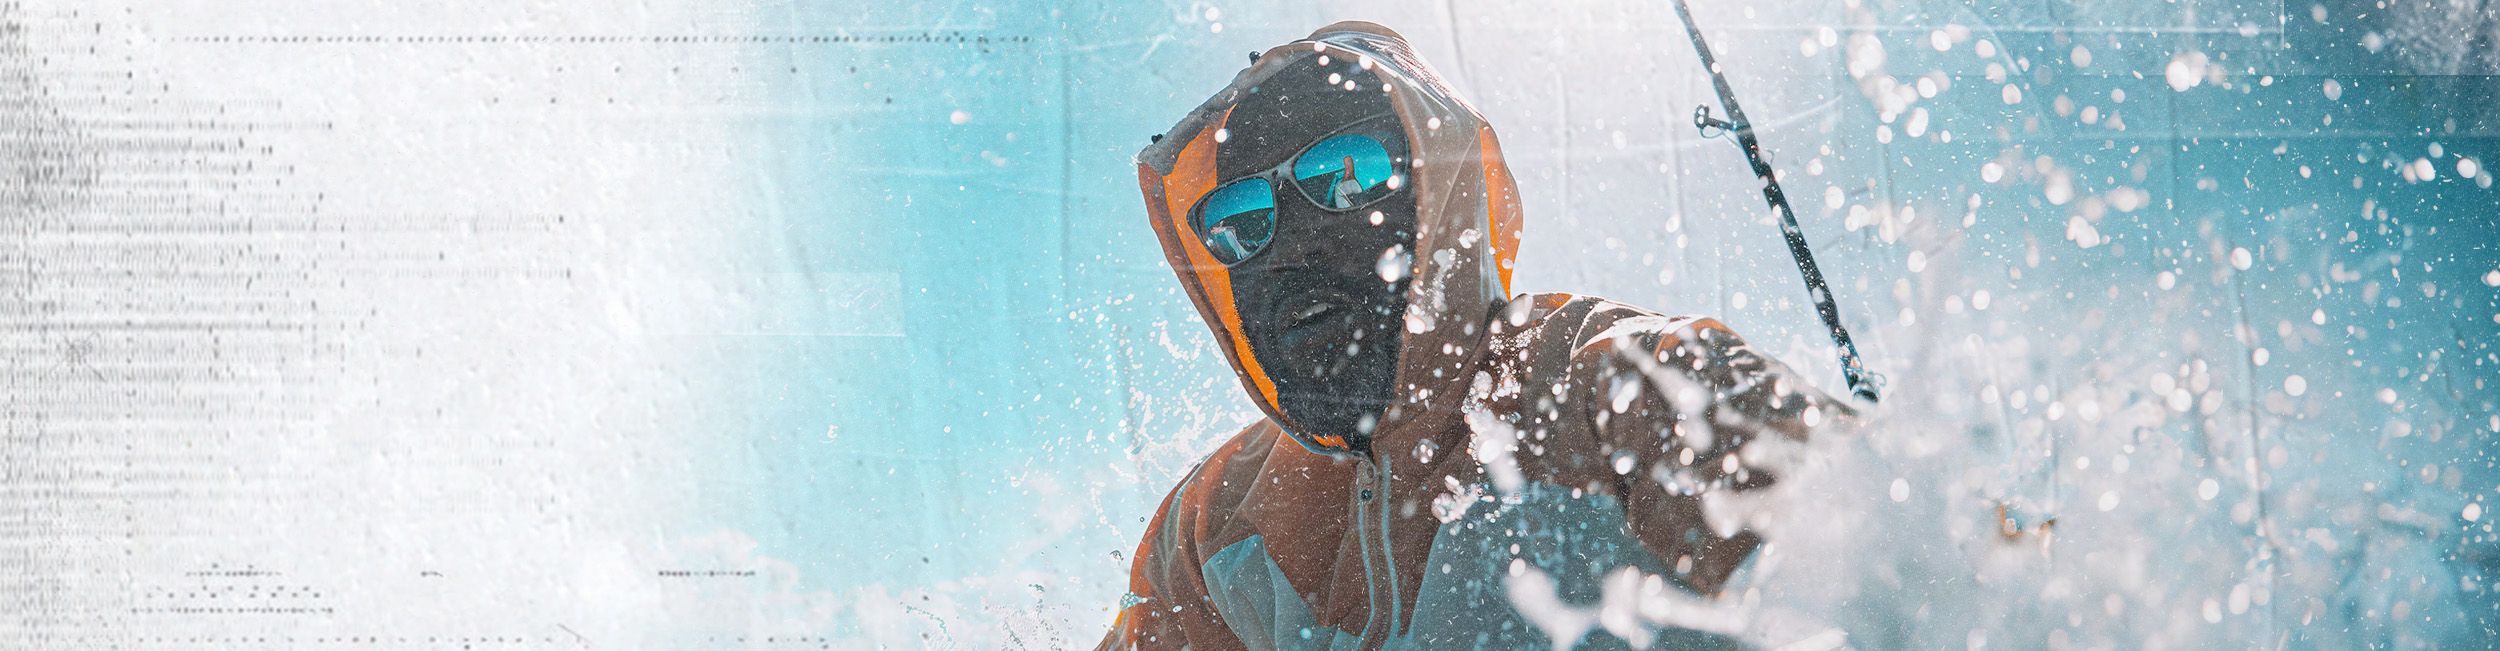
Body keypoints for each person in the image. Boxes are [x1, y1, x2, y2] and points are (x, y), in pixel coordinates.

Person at [1098, 21, 1853, 650]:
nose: (1290, 241)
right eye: (1238, 221)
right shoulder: (1212, 523)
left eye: (1346, 173)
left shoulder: (1611, 383)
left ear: (1436, 190)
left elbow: (1902, 564)